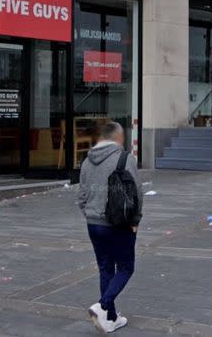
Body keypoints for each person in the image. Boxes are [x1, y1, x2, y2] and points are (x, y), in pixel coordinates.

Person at [78, 122, 143, 333]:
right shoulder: (125, 158)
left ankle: (111, 318)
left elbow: (81, 197)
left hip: (93, 224)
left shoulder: (87, 161)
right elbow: (137, 193)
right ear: (118, 138)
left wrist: (91, 215)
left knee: (106, 267)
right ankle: (103, 305)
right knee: (126, 267)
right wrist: (135, 221)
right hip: (119, 224)